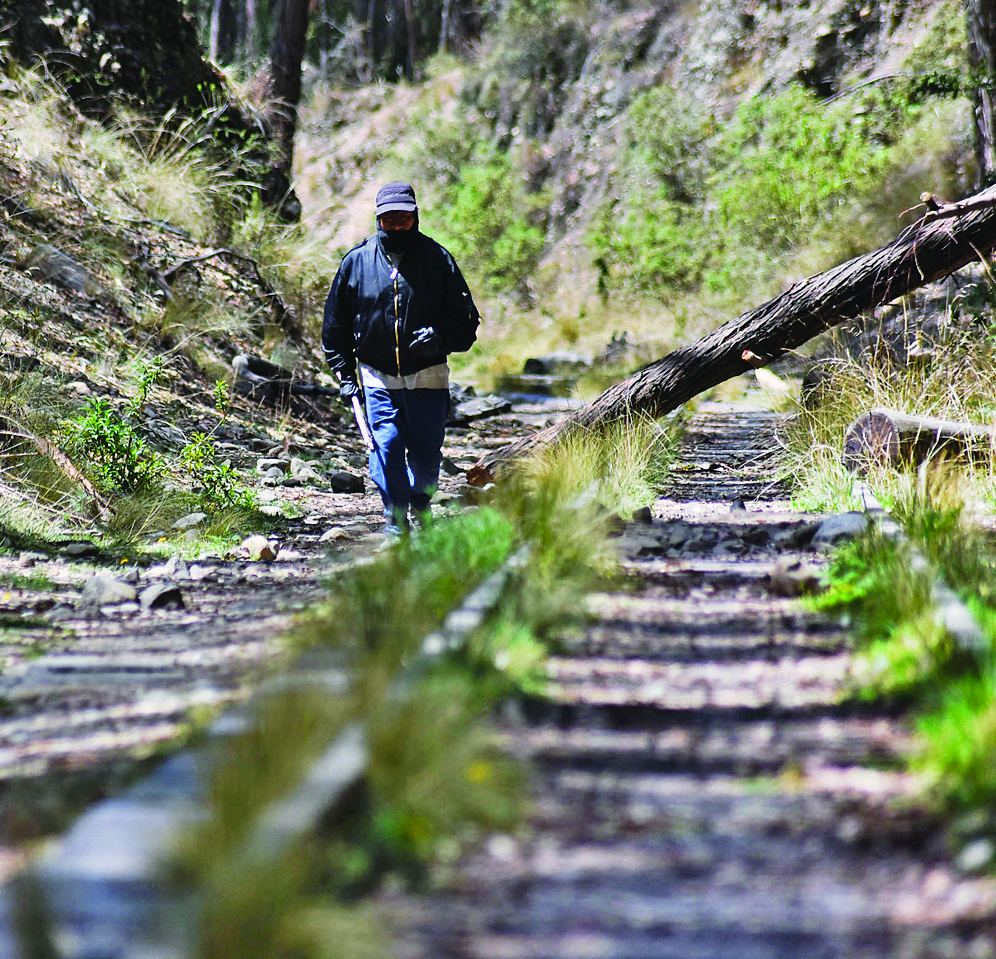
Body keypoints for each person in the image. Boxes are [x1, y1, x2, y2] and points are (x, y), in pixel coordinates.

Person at [322, 181, 481, 536]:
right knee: (387, 446)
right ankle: (395, 523)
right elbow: (335, 327)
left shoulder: (439, 260)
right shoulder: (356, 262)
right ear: (378, 220)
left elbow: (466, 323)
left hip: (429, 377)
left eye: (403, 219)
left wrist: (440, 336)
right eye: (389, 219)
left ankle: (421, 507)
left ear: (416, 217)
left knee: (425, 456)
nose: (396, 226)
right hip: (377, 377)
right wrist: (346, 376)